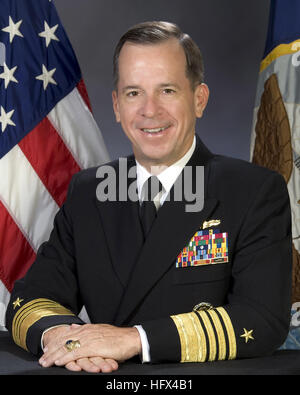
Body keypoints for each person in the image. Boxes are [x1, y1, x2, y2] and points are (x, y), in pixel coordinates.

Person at [6, 21, 292, 373]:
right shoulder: (89, 193)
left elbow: (263, 318)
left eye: (167, 90)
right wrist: (63, 337)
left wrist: (133, 340)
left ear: (198, 99)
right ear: (116, 106)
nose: (149, 110)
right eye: (133, 93)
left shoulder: (254, 192)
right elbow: (30, 298)